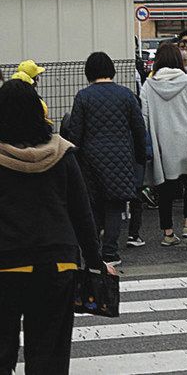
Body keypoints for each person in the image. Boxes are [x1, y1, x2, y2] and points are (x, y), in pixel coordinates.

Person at [0, 80, 116, 374]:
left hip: (7, 264)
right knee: (49, 353)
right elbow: (82, 215)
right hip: (58, 263)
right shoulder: (62, 153)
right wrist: (96, 262)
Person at [66, 52, 147, 266]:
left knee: (93, 205)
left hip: (90, 158)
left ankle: (91, 251)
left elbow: (75, 132)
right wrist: (140, 155)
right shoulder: (127, 95)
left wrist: (75, 157)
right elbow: (139, 129)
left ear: (89, 72)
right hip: (121, 157)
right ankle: (110, 253)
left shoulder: (83, 96)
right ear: (111, 70)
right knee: (115, 205)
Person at [141, 43, 187, 246]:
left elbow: (143, 117)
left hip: (162, 142)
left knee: (165, 189)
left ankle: (168, 233)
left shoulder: (148, 85)